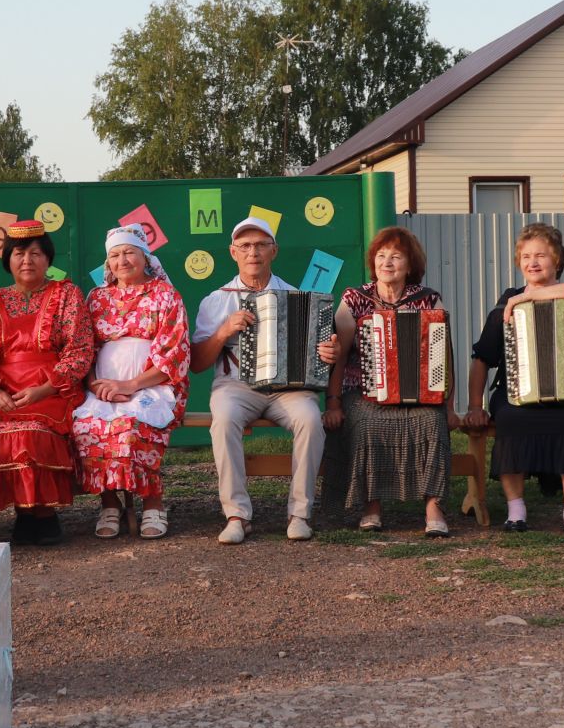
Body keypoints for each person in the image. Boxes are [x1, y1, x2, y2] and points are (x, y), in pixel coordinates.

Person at [192, 216, 325, 544]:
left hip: (287, 389)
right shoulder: (216, 299)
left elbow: (315, 358)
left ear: (274, 251)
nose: (253, 252)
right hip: (235, 386)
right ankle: (237, 515)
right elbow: (196, 363)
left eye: (261, 245)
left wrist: (327, 351)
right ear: (233, 252)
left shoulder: (297, 296)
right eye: (246, 246)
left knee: (310, 418)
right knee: (222, 420)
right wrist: (223, 331)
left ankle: (300, 513)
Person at [464, 223, 564, 536]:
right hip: (516, 389)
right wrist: (475, 404)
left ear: (557, 260)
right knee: (511, 419)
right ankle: (516, 510)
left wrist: (522, 300)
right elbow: (483, 358)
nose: (533, 262)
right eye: (526, 257)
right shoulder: (505, 304)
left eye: (541, 255)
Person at [0, 219, 93, 546]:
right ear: (7, 259)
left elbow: (79, 349)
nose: (27, 261)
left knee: (33, 431)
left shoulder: (67, 294)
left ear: (48, 259)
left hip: (51, 386)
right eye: (19, 254)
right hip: (3, 388)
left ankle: (42, 514)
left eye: (36, 254)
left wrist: (46, 387)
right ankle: (23, 513)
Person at [319, 226, 454, 536]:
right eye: (381, 256)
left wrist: (448, 404)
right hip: (362, 392)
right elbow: (339, 354)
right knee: (366, 423)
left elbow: (443, 358)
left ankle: (433, 505)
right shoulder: (355, 299)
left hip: (419, 394)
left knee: (433, 421)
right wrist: (334, 401)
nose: (387, 262)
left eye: (396, 256)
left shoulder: (429, 300)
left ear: (410, 264)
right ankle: (371, 506)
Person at [71, 225, 190, 539]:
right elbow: (86, 347)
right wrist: (95, 383)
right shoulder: (96, 298)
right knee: (85, 428)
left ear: (144, 257)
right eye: (114, 255)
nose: (122, 260)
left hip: (153, 386)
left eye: (129, 252)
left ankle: (154, 503)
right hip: (103, 388)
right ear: (107, 263)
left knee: (131, 427)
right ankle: (109, 503)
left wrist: (131, 385)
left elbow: (175, 354)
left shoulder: (166, 295)